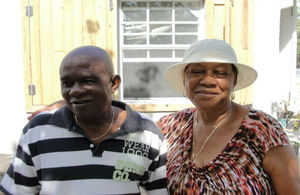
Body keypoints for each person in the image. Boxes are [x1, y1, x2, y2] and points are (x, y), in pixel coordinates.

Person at [0, 46, 168, 194]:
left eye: (87, 81)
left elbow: (159, 190)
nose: (75, 91)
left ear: (114, 83)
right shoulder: (38, 131)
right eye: (67, 83)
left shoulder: (146, 132)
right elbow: (19, 190)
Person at [156, 39, 300, 194]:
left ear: (234, 80)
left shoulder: (262, 130)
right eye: (197, 71)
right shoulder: (171, 126)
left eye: (220, 73)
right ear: (184, 79)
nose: (208, 81)